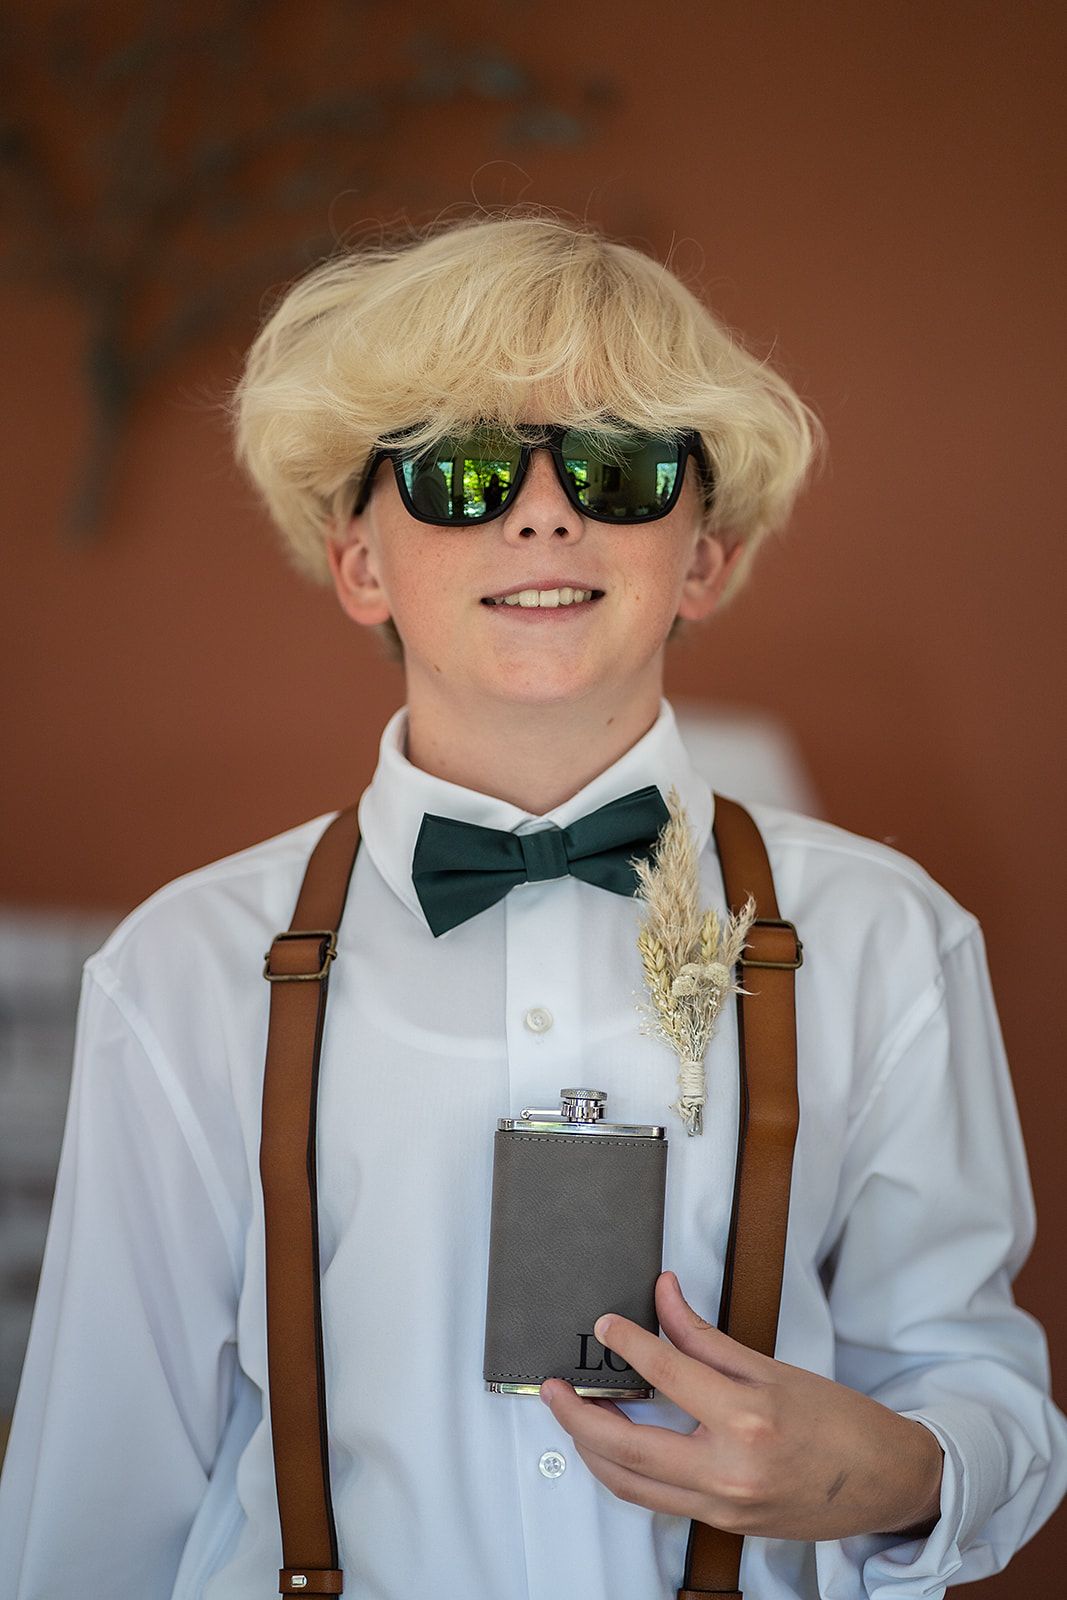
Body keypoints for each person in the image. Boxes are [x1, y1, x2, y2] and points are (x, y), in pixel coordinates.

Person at [0, 208, 1064, 1600]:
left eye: (618, 464)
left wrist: (894, 1469)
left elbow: (983, 1386)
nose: (544, 508)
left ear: (706, 554)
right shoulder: (188, 970)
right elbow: (99, 1492)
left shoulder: (890, 939)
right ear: (359, 559)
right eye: (463, 468)